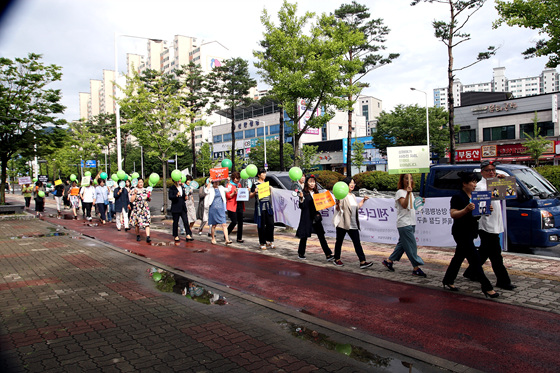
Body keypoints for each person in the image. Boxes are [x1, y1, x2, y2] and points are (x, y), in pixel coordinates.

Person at [442, 171, 499, 299]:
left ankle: (448, 280)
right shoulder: (458, 197)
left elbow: (477, 213)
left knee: (458, 258)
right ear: (464, 184)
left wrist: (486, 210)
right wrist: (465, 210)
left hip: (471, 231)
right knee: (475, 260)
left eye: (475, 181)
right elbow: (453, 214)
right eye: (472, 182)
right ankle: (487, 287)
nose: (475, 184)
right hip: (461, 232)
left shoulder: (475, 196)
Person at [463, 160, 516, 290]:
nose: (491, 172)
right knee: (495, 254)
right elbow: (480, 209)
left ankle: (471, 272)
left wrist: (505, 180)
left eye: (493, 170)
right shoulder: (481, 187)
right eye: (488, 170)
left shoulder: (495, 184)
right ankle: (503, 280)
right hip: (486, 225)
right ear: (482, 172)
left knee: (484, 252)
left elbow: (510, 193)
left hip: (495, 223)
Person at [382, 174, 426, 277]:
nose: (409, 180)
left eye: (411, 178)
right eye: (406, 178)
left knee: (402, 244)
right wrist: (408, 194)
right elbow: (404, 205)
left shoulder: (410, 193)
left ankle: (389, 261)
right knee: (411, 246)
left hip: (412, 222)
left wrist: (420, 201)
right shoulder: (400, 192)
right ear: (402, 180)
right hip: (404, 224)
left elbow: (413, 206)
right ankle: (416, 267)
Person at [333, 177, 373, 269]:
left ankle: (362, 261)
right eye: (350, 183)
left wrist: (363, 200)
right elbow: (338, 208)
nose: (352, 185)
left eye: (353, 183)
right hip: (343, 223)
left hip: (353, 224)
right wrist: (338, 203)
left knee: (357, 242)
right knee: (339, 242)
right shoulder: (342, 195)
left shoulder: (353, 196)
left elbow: (356, 208)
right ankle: (337, 259)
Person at [296, 174, 334, 261]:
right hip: (307, 218)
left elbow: (320, 205)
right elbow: (301, 206)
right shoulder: (304, 193)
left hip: (316, 218)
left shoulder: (317, 193)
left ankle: (328, 254)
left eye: (313, 182)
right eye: (310, 182)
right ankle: (301, 253)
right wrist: (301, 198)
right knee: (304, 236)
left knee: (321, 236)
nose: (312, 184)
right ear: (307, 183)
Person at [250, 169, 275, 250]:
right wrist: (255, 192)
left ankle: (270, 240)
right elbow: (250, 195)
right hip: (260, 206)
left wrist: (271, 190)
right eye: (263, 173)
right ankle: (262, 242)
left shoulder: (267, 184)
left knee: (270, 224)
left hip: (268, 206)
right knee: (261, 225)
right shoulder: (255, 184)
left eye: (265, 173)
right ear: (259, 175)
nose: (264, 175)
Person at [204, 178, 231, 245]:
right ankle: (213, 238)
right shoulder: (210, 189)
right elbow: (206, 191)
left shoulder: (221, 188)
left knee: (224, 224)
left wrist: (228, 181)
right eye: (215, 182)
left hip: (221, 208)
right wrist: (209, 182)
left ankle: (227, 239)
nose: (217, 183)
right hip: (213, 208)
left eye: (218, 182)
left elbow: (228, 189)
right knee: (214, 225)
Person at [129, 178, 152, 242]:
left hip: (144, 208)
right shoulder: (134, 190)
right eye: (139, 182)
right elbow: (131, 200)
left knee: (147, 223)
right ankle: (138, 235)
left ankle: (148, 236)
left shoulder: (145, 190)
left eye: (142, 182)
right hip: (137, 208)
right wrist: (135, 194)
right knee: (137, 223)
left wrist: (149, 196)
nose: (141, 184)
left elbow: (148, 199)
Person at [226, 172, 245, 243]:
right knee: (234, 221)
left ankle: (239, 238)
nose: (238, 180)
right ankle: (226, 234)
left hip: (239, 204)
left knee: (240, 222)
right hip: (232, 205)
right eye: (237, 179)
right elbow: (228, 196)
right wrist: (234, 192)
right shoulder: (229, 185)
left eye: (238, 179)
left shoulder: (239, 185)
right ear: (233, 178)